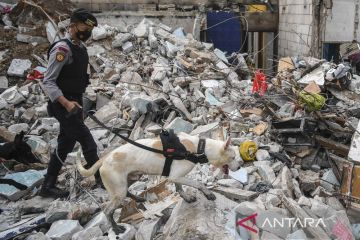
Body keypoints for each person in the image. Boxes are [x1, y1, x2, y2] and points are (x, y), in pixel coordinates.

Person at [39, 8, 101, 198]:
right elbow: (48, 81)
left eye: (90, 30)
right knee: (87, 140)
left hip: (74, 102)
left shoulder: (81, 48)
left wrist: (76, 103)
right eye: (84, 28)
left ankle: (47, 186)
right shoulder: (62, 49)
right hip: (62, 104)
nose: (87, 33)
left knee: (65, 144)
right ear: (72, 26)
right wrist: (66, 103)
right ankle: (103, 179)